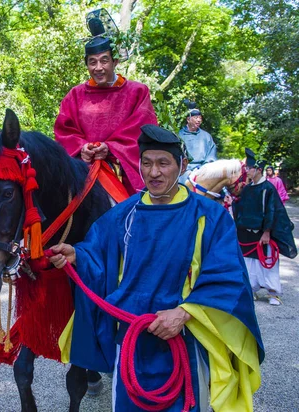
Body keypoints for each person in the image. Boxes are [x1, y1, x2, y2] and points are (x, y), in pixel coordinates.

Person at [50, 125, 263, 411]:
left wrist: (185, 313)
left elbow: (227, 276)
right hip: (130, 339)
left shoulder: (209, 217)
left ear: (182, 165)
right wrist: (77, 254)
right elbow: (99, 252)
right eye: (147, 163)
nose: (154, 172)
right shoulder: (123, 214)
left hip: (183, 340)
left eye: (164, 163)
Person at [54, 15, 158, 195]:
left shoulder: (137, 92)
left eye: (104, 60)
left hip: (124, 171)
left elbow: (142, 130)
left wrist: (110, 147)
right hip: (83, 170)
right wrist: (82, 148)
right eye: (92, 62)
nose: (98, 68)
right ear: (86, 65)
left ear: (115, 61)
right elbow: (64, 131)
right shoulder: (75, 95)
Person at [233, 150, 297, 306]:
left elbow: (272, 211)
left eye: (249, 168)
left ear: (258, 170)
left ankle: (273, 293)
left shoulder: (268, 188)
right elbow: (241, 209)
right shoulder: (247, 189)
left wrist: (267, 232)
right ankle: (252, 290)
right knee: (249, 263)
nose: (246, 171)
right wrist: (232, 202)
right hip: (247, 233)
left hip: (262, 233)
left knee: (267, 263)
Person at [178, 106, 217, 183]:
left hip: (203, 171)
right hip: (183, 171)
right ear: (188, 119)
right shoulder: (179, 135)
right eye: (196, 118)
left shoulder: (206, 136)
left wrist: (202, 169)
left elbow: (211, 156)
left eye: (200, 118)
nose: (199, 120)